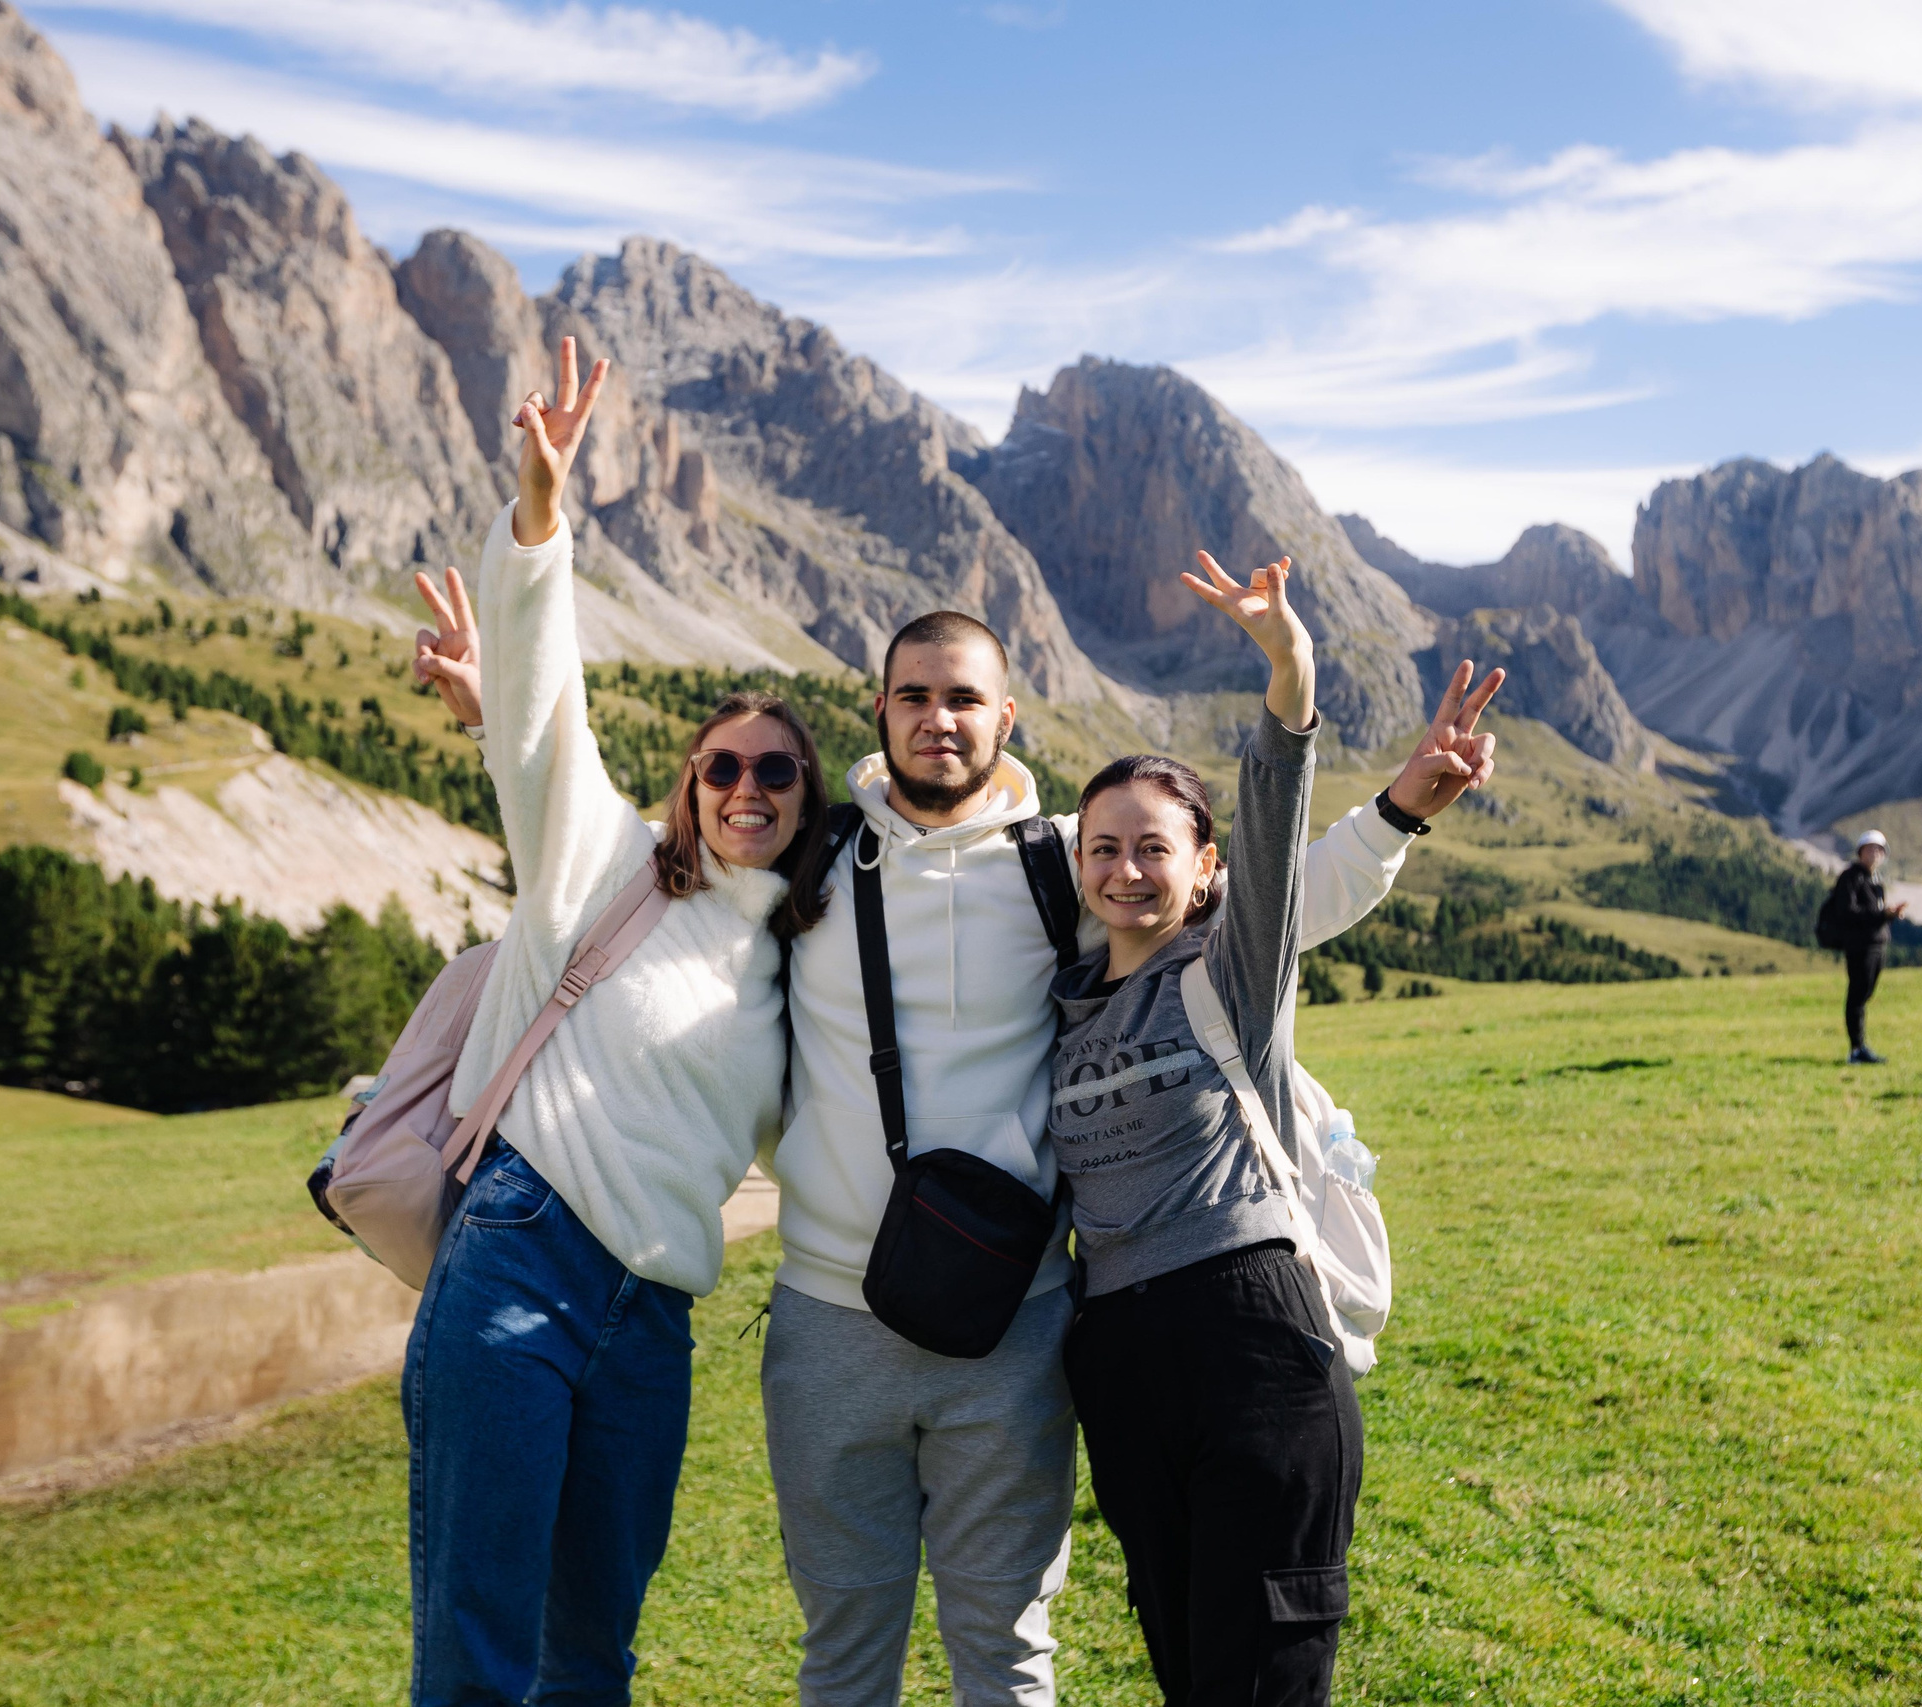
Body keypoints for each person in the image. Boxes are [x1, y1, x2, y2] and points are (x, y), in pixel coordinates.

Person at [761, 586, 1503, 1705]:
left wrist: (1374, 784)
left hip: (1121, 1329)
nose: (938, 719)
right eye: (913, 696)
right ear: (878, 709)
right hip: (1007, 1341)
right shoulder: (820, 861)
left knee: (1049, 1652)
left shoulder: (1092, 879)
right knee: (891, 1655)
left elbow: (1279, 884)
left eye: (964, 698)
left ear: (1007, 717)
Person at [399, 338, 836, 1707]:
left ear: (807, 799)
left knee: (593, 1652)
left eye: (777, 771)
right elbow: (545, 711)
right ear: (689, 782)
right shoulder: (599, 860)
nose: (748, 786)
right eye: (723, 764)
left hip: (652, 1319)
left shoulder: (800, 960)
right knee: (478, 1645)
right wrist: (542, 515)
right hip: (519, 1260)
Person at [1049, 553, 1500, 1706]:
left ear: (1204, 868)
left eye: (1154, 847)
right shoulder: (1058, 1008)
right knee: (1186, 1667)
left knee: (1261, 1679)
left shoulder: (1231, 973)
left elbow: (1278, 815)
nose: (1125, 869)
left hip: (1249, 1336)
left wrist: (1290, 668)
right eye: (1103, 847)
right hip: (1117, 1362)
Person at [1825, 829, 1905, 1064]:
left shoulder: (1875, 880)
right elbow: (1847, 912)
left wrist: (1889, 915)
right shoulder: (1851, 878)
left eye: (1879, 850)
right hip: (1859, 946)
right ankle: (1857, 1049)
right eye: (1870, 849)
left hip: (1876, 944)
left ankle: (1859, 1047)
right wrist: (1882, 914)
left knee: (1865, 994)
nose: (1874, 853)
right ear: (1860, 852)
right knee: (1857, 996)